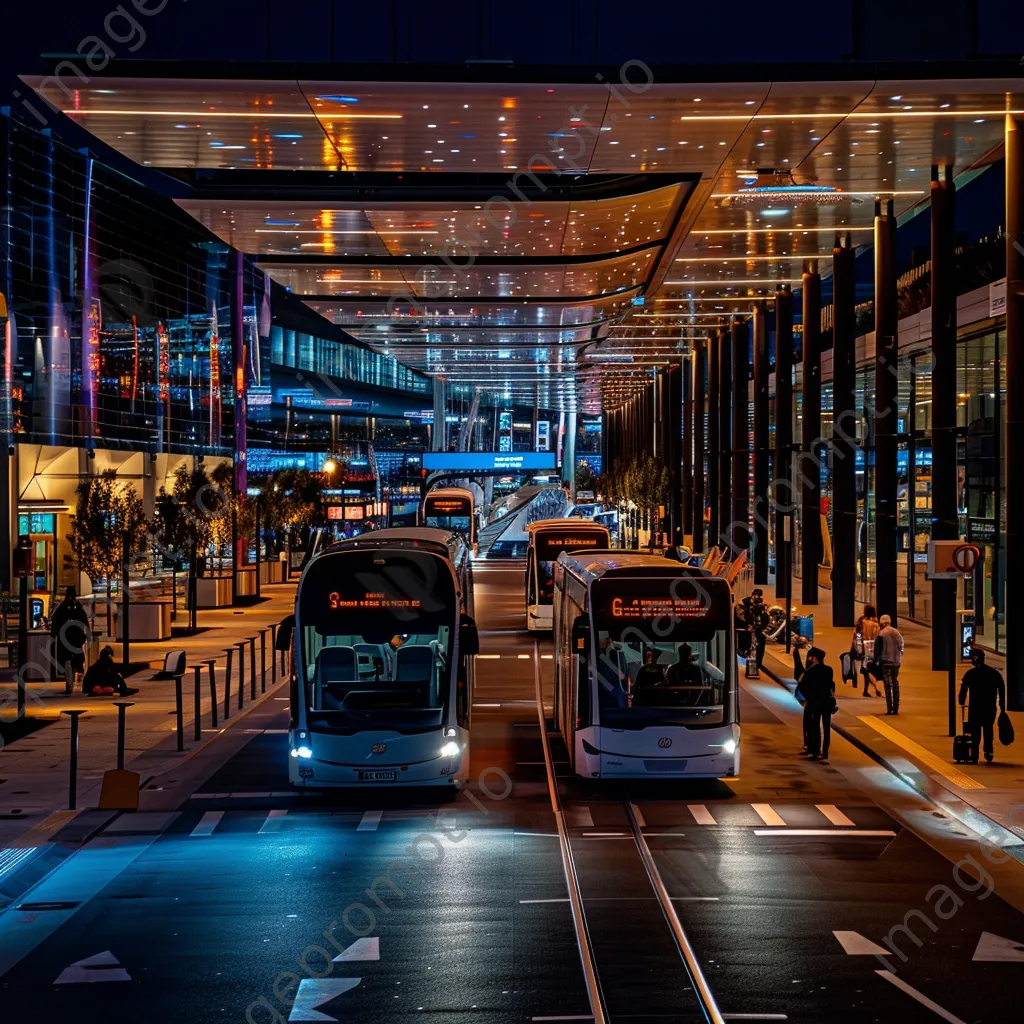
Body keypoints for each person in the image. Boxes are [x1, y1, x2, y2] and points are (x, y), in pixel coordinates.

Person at [958, 648, 1006, 764]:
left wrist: (962, 700)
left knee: (975, 732)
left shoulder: (970, 674)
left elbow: (963, 690)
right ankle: (988, 751)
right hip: (989, 708)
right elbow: (1002, 688)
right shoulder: (994, 674)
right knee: (988, 729)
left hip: (975, 708)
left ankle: (974, 754)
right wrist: (1002, 706)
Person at [796, 646, 836, 763]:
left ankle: (816, 751)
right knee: (826, 727)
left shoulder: (810, 671)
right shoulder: (829, 670)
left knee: (815, 726)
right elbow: (830, 685)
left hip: (815, 701)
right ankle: (825, 753)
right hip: (827, 701)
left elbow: (802, 686)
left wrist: (808, 698)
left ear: (815, 658)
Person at [49, 586, 90, 690]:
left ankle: (68, 677)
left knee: (65, 657)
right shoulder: (78, 605)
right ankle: (79, 670)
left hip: (65, 637)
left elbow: (55, 620)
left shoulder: (62, 606)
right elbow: (85, 620)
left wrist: (54, 634)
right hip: (77, 636)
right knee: (78, 655)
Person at [875, 614, 904, 715]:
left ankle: (889, 708)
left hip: (886, 662)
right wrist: (899, 652)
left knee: (887, 685)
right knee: (895, 682)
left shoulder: (881, 634)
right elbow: (901, 645)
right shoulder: (896, 632)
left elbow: (877, 649)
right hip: (896, 662)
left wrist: (877, 660)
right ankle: (896, 708)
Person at [851, 604, 882, 697]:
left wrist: (857, 647)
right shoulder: (877, 624)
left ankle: (873, 689)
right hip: (873, 649)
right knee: (868, 669)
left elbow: (857, 635)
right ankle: (869, 690)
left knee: (866, 669)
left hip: (864, 648)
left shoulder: (861, 622)